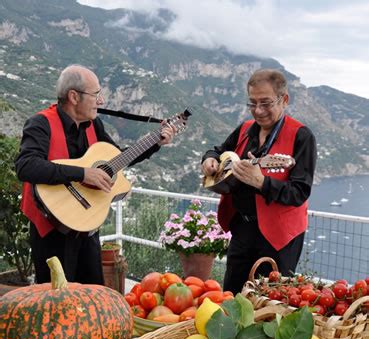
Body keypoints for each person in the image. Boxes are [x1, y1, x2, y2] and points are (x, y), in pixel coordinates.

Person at [15, 64, 176, 285]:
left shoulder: (94, 125)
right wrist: (83, 174)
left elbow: (116, 159)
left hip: (86, 226)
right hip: (51, 229)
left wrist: (155, 142)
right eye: (95, 94)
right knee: (57, 301)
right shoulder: (41, 123)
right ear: (73, 96)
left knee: (93, 293)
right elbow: (26, 166)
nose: (100, 101)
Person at [201, 68, 317, 294]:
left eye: (265, 103)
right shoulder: (245, 129)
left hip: (279, 238)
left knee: (271, 301)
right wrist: (210, 160)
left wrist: (262, 183)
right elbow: (217, 151)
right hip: (242, 227)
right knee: (232, 295)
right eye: (252, 104)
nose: (258, 111)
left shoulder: (302, 136)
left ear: (284, 100)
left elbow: (299, 192)